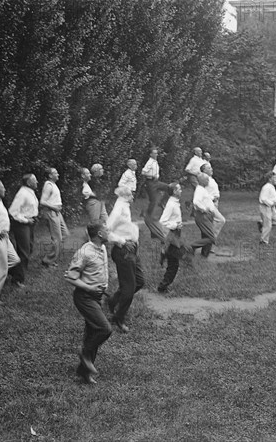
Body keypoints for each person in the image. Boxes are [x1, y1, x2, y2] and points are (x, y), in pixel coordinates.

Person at [64, 222, 112, 385]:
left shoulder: (102, 248)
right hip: (85, 297)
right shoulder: (84, 252)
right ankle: (84, 354)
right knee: (104, 329)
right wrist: (90, 288)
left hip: (97, 297)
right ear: (99, 234)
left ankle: (84, 372)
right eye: (106, 230)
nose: (109, 232)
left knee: (93, 331)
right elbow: (71, 277)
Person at [106, 186, 145, 333]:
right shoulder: (118, 209)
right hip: (124, 251)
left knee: (139, 281)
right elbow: (106, 230)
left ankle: (113, 301)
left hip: (131, 249)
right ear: (125, 196)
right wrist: (122, 241)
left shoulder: (124, 206)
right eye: (130, 194)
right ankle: (118, 318)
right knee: (129, 287)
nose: (133, 196)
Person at [8, 173, 39, 288]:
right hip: (21, 225)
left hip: (29, 223)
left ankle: (12, 270)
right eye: (35, 180)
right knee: (24, 251)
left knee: (29, 248)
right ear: (28, 182)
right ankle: (17, 279)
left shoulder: (30, 192)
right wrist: (25, 220)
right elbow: (13, 211)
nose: (37, 182)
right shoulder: (22, 193)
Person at [157, 182, 190, 292]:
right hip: (172, 235)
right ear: (174, 191)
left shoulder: (174, 202)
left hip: (175, 234)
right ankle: (163, 286)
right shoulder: (171, 205)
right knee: (174, 264)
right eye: (179, 189)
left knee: (175, 258)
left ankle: (165, 253)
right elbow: (162, 222)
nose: (181, 191)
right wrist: (175, 225)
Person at [40, 168, 70, 267]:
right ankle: (48, 261)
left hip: (57, 213)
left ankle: (53, 255)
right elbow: (42, 201)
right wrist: (54, 208)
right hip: (51, 213)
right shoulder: (48, 185)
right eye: (55, 173)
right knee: (57, 238)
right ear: (50, 175)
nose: (58, 174)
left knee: (65, 234)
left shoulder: (53, 184)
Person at [190, 173, 217, 258]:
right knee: (211, 238)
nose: (208, 180)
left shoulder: (202, 189)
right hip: (203, 216)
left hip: (207, 216)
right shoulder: (200, 190)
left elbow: (205, 199)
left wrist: (212, 198)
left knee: (205, 235)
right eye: (207, 179)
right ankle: (191, 246)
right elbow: (196, 201)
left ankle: (204, 255)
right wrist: (203, 209)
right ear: (202, 181)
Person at [140, 148, 168, 217]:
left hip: (156, 182)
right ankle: (147, 214)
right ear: (151, 154)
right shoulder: (150, 162)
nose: (156, 155)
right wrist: (151, 176)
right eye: (155, 153)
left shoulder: (155, 162)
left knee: (170, 188)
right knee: (153, 200)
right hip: (151, 182)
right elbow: (143, 172)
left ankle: (162, 202)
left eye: (157, 153)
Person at [201, 162, 226, 239]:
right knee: (221, 220)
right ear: (204, 171)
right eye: (208, 168)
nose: (211, 169)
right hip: (209, 204)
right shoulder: (204, 179)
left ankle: (207, 246)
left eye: (211, 167)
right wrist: (212, 198)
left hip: (214, 203)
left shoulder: (211, 179)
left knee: (209, 224)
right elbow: (202, 192)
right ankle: (210, 239)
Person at [258, 171, 276, 245]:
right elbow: (263, 198)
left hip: (272, 207)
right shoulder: (266, 187)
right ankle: (263, 241)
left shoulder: (272, 186)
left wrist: (274, 203)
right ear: (270, 179)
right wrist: (271, 203)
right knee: (268, 225)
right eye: (274, 178)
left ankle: (262, 224)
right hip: (266, 207)